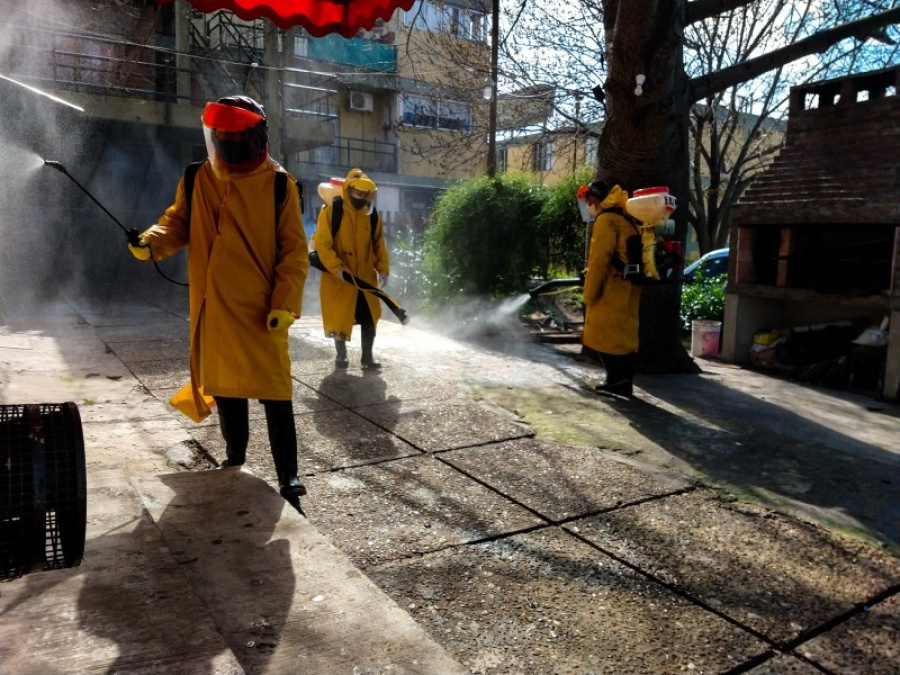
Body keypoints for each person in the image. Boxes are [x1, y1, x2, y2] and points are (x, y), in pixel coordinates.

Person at [128, 95, 309, 499]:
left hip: (264, 309)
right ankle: (235, 458)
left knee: (275, 392)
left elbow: (294, 251)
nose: (228, 150)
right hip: (213, 305)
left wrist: (284, 303)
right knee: (227, 389)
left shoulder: (280, 184)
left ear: (257, 137)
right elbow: (177, 223)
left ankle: (288, 476)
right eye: (221, 140)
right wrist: (150, 243)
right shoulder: (197, 178)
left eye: (235, 141)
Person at [312, 167, 390, 369]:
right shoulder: (333, 211)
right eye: (358, 193)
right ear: (348, 190)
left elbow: (378, 245)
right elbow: (323, 244)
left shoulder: (372, 216)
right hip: (338, 277)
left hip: (365, 278)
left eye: (365, 194)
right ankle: (341, 356)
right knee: (339, 317)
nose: (362, 197)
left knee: (370, 317)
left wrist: (383, 269)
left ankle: (367, 358)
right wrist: (337, 269)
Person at [581, 179, 641, 397]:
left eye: (588, 201)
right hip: (630, 286)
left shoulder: (606, 220)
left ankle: (616, 379)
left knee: (601, 332)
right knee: (626, 336)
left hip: (611, 287)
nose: (588, 206)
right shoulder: (627, 216)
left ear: (594, 198)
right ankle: (625, 381)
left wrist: (588, 295)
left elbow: (599, 260)